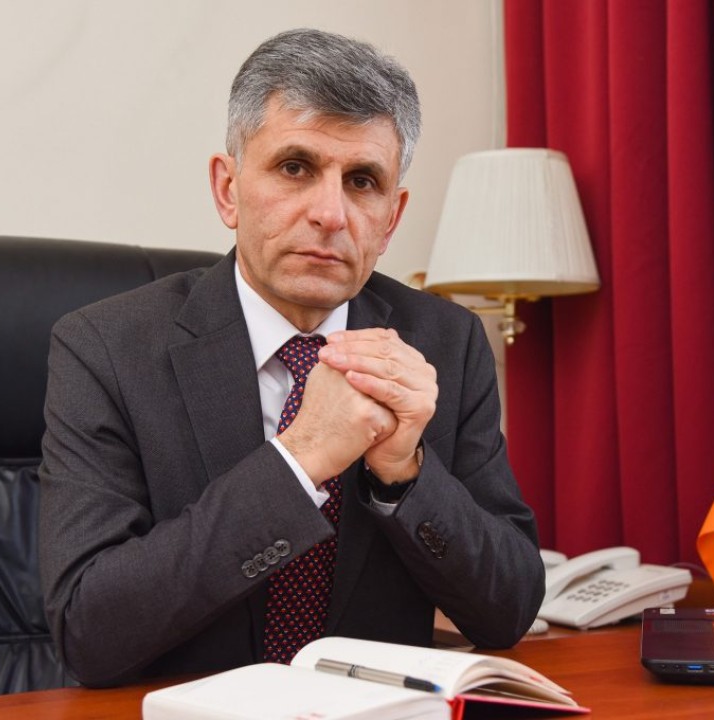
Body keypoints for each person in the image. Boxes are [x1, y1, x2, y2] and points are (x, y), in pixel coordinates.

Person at [38, 27, 544, 688]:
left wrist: (405, 474)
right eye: (295, 168)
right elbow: (88, 631)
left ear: (391, 219)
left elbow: (508, 611)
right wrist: (301, 459)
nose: (330, 214)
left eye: (362, 181)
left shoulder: (445, 342)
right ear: (228, 189)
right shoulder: (105, 349)